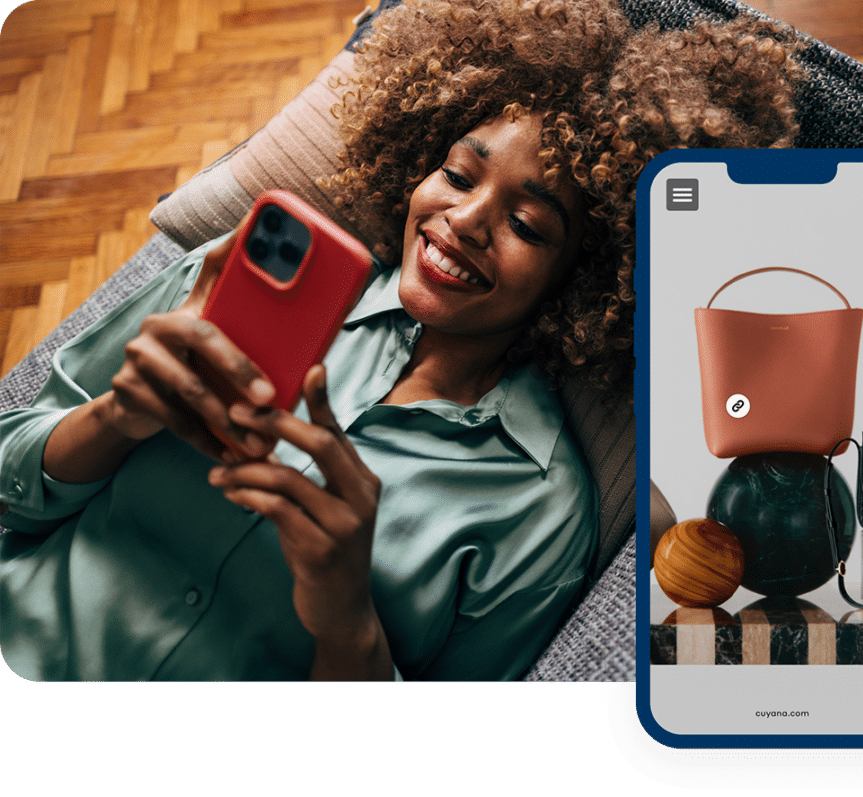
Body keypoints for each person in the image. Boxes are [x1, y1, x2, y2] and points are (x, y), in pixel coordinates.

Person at [0, 0, 801, 682]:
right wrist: (113, 418)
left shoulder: (540, 511)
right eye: (457, 174)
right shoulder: (227, 281)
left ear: (595, 280)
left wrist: (349, 620)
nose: (465, 219)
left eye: (526, 223)